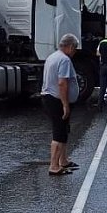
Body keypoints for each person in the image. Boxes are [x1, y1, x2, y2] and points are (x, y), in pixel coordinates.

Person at [41, 34, 80, 175]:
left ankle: (63, 161)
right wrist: (65, 104)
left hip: (50, 97)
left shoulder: (53, 57)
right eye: (75, 48)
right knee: (59, 132)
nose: (75, 51)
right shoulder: (64, 60)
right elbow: (62, 83)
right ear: (69, 46)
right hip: (56, 100)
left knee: (63, 130)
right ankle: (54, 166)